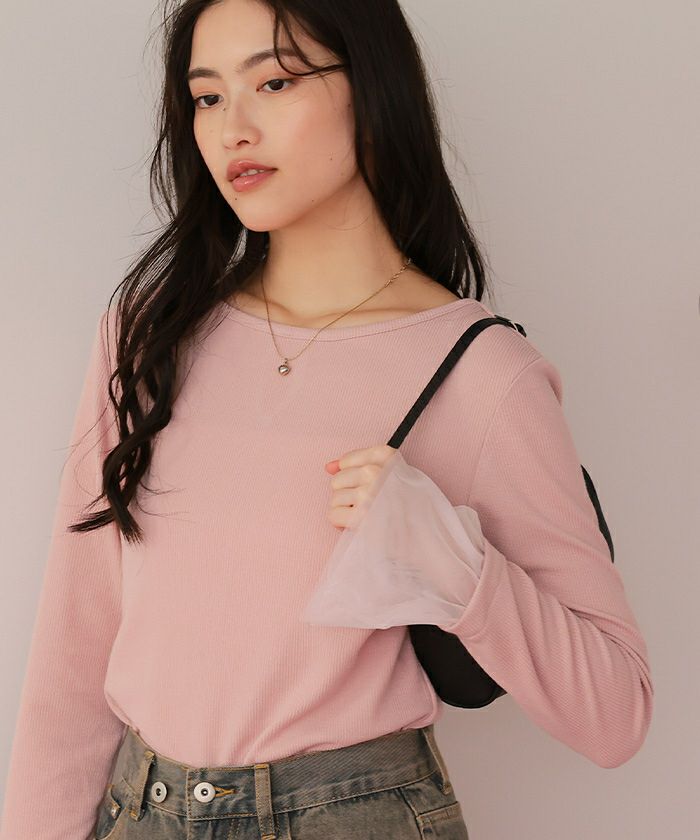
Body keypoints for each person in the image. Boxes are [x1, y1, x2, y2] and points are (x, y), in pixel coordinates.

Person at [0, 1, 653, 838]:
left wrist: (456, 564)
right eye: (207, 96)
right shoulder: (151, 333)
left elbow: (617, 713)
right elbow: (74, 648)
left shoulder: (483, 375)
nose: (233, 128)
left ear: (372, 89)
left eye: (275, 83)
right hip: (142, 812)